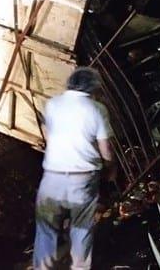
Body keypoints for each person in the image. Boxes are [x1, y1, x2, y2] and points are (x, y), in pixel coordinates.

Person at [34, 67, 117, 270]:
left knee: (46, 231)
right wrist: (110, 169)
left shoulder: (53, 104)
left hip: (52, 178)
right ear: (93, 88)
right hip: (83, 181)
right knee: (81, 230)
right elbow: (106, 149)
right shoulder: (97, 109)